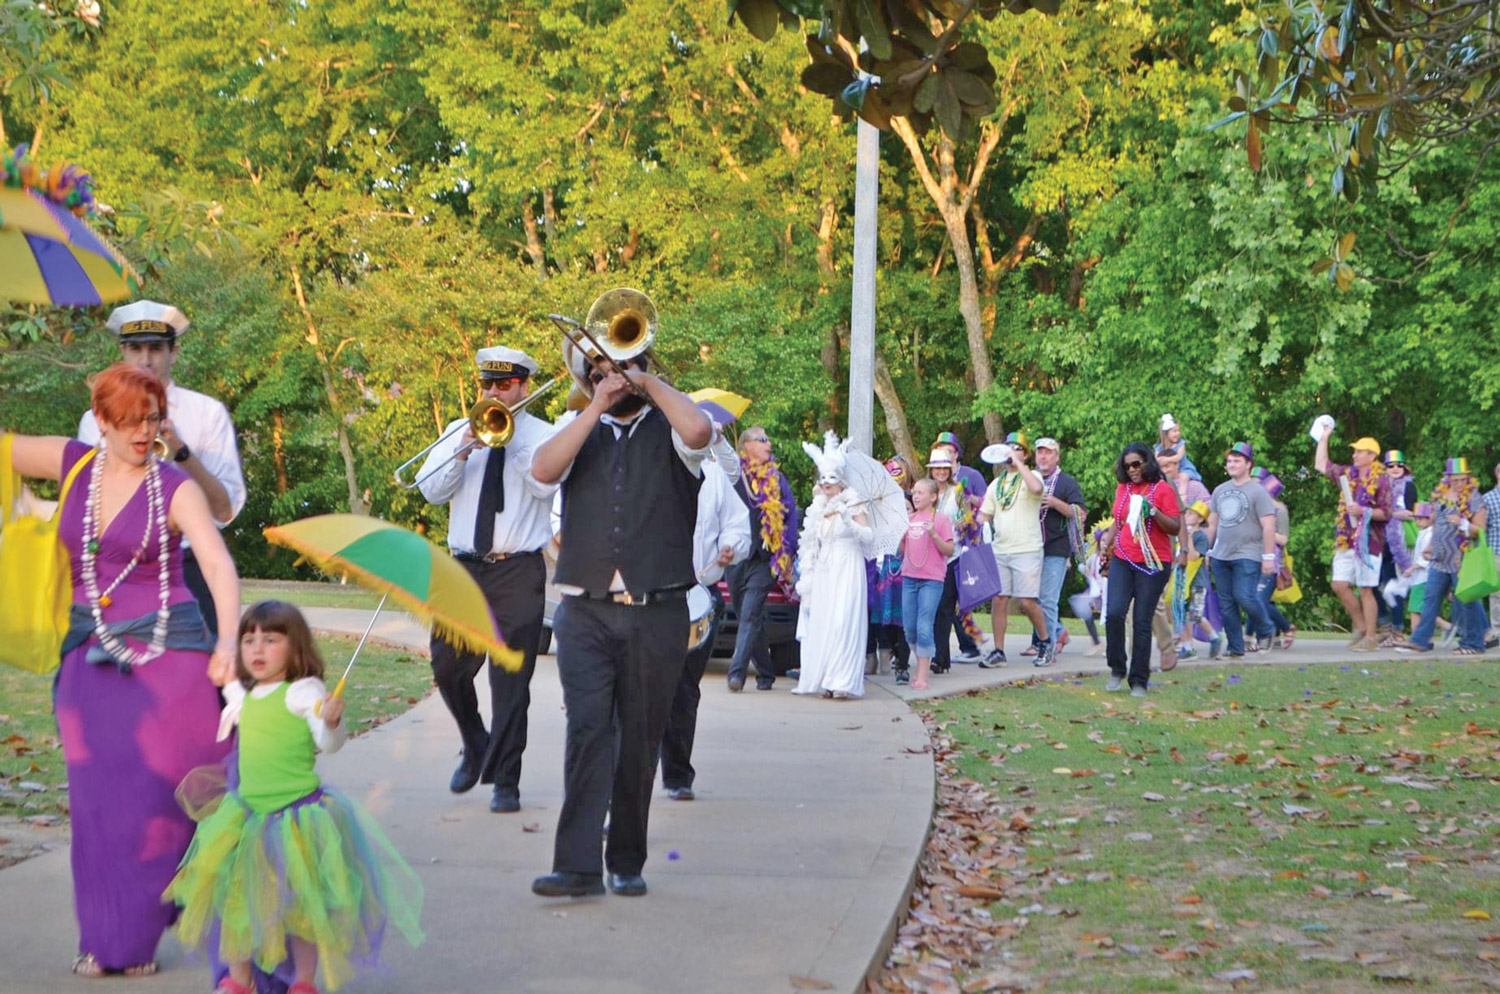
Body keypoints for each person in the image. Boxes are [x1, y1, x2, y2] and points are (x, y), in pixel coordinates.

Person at [8, 363, 239, 977]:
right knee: (97, 804)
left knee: (167, 795)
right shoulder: (75, 464)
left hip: (171, 656)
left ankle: (145, 919)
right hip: (88, 659)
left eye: (153, 419)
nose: (144, 432)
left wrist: (230, 643)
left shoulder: (175, 487)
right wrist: (23, 512)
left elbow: (216, 565)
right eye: (131, 421)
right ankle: (108, 935)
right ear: (102, 423)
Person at [530, 335, 713, 899]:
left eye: (623, 365)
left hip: (657, 611)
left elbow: (700, 431)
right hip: (584, 611)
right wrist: (594, 404)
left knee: (639, 738)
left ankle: (627, 858)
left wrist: (647, 381)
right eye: (600, 369)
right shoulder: (580, 429)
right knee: (587, 732)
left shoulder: (674, 431)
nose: (612, 376)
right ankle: (577, 866)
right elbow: (541, 469)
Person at [164, 601, 424, 994]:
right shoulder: (247, 694)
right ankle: (239, 981)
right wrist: (221, 668)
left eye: (270, 640)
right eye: (249, 640)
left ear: (295, 647)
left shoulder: (302, 692)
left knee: (301, 907)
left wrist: (333, 720)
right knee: (238, 901)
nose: (257, 649)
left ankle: (302, 981)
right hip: (246, 816)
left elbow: (327, 741)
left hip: (295, 819)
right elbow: (232, 690)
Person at [416, 347, 555, 812]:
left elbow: (546, 486)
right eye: (486, 385)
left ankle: (506, 781)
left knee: (510, 679)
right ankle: (476, 741)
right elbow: (429, 491)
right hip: (465, 566)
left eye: (504, 384)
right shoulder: (461, 429)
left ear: (524, 387)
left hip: (517, 568)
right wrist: (461, 450)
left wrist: (508, 442)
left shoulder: (544, 436)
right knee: (447, 666)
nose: (493, 392)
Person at [78, 301, 246, 635]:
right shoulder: (94, 420)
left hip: (189, 567)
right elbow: (89, 504)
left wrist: (183, 454)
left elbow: (225, 510)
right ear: (122, 352)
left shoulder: (207, 413)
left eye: (155, 348)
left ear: (174, 353)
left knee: (198, 679)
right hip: (118, 569)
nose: (144, 360)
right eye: (135, 349)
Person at [659, 423, 750, 801]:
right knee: (639, 690)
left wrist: (730, 546)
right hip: (650, 595)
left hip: (699, 593)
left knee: (683, 690)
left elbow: (738, 526)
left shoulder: (713, 477)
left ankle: (678, 774)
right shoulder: (652, 471)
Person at [793, 432, 874, 700]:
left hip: (848, 566)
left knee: (843, 620)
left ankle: (843, 681)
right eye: (823, 478)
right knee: (825, 622)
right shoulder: (818, 507)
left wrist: (849, 520)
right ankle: (827, 679)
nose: (827, 483)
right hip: (826, 570)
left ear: (841, 480)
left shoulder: (853, 501)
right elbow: (811, 543)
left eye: (832, 478)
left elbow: (868, 537)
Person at [1098, 442, 1181, 698]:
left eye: (1136, 464)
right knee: (1113, 614)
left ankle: (1138, 680)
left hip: (1153, 563)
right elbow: (1120, 521)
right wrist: (1108, 540)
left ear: (1147, 462)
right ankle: (1117, 668)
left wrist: (1152, 510)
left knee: (1142, 622)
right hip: (1124, 558)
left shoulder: (1163, 490)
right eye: (1127, 466)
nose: (1132, 470)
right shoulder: (1123, 488)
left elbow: (1175, 527)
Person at [725, 424, 798, 692]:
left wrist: (787, 551)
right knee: (750, 617)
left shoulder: (777, 479)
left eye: (769, 440)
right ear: (747, 445)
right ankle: (766, 672)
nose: (769, 444)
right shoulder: (732, 474)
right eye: (763, 439)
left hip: (765, 559)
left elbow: (790, 516)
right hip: (736, 559)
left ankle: (736, 674)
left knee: (749, 613)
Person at [976, 432, 1052, 668]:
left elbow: (1037, 489)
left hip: (1027, 548)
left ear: (1026, 454)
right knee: (999, 599)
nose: (1011, 451)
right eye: (1008, 447)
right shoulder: (996, 484)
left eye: (1017, 448)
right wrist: (969, 520)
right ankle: (998, 651)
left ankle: (1046, 642)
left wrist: (1019, 463)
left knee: (1027, 601)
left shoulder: (1033, 475)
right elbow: (985, 515)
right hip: (1001, 549)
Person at [1314, 430, 1393, 651]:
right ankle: (1360, 625)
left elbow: (1387, 513)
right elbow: (1321, 464)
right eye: (1355, 451)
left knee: (1366, 589)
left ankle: (1370, 637)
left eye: (1359, 452)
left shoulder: (1382, 480)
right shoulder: (1348, 474)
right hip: (1345, 539)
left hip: (1370, 542)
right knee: (1339, 585)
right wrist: (1324, 436)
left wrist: (1362, 511)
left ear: (1371, 456)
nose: (1354, 456)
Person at [1400, 459, 1489, 655]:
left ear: (1467, 477)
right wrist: (1431, 546)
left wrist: (1463, 523)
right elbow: (1437, 526)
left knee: (1466, 600)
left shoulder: (1474, 498)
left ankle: (1473, 643)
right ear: (1447, 478)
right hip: (1439, 559)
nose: (1459, 484)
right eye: (1455, 480)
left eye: (1462, 479)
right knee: (1430, 598)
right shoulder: (1440, 496)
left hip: (1462, 559)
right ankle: (1420, 640)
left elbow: (1480, 529)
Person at [1204, 443, 1277, 658]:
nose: (1232, 464)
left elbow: (1269, 525)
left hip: (1248, 553)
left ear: (1248, 464)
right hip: (1221, 555)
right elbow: (1212, 524)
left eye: (1237, 460)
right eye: (1229, 461)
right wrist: (1206, 551)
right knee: (1226, 603)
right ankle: (1235, 647)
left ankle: (1266, 629)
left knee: (1244, 596)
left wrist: (1268, 556)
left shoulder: (1258, 491)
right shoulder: (1220, 490)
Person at [1027, 438, 1086, 662]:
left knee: (1047, 599)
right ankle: (1056, 634)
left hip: (1055, 549)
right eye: (1040, 452)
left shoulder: (1066, 482)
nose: (1043, 456)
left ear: (1057, 457)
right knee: (1029, 598)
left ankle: (1048, 647)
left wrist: (1056, 503)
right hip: (1029, 548)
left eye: (1049, 453)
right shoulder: (1027, 479)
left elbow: (1080, 514)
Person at [927, 448, 984, 672]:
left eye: (945, 467)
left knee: (944, 607)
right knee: (930, 607)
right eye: (937, 468)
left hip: (952, 554)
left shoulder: (957, 491)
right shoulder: (926, 491)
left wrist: (965, 522)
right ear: (931, 470)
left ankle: (940, 658)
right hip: (928, 556)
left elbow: (969, 517)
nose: (941, 472)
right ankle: (936, 655)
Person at [900, 479, 954, 690]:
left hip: (931, 580)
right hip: (909, 578)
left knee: (924, 626)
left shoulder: (940, 520)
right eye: (914, 492)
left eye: (921, 493)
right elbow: (906, 551)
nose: (916, 496)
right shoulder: (908, 519)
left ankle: (922, 674)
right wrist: (899, 536)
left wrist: (933, 534)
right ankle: (923, 659)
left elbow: (949, 550)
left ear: (933, 497)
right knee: (910, 629)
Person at [869, 456, 916, 684]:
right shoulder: (879, 505)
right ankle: (885, 652)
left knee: (904, 617)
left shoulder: (912, 501)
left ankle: (902, 661)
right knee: (882, 616)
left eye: (899, 471)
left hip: (907, 569)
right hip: (884, 567)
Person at [1377, 450, 1419, 642]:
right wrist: (1392, 513)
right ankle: (1386, 626)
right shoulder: (1379, 486)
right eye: (1390, 465)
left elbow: (1411, 514)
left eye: (1399, 465)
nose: (1395, 469)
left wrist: (1390, 513)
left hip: (1399, 543)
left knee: (1394, 587)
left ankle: (1397, 631)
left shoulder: (1409, 486)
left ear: (1404, 467)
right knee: (1374, 586)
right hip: (1380, 541)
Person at [1251, 468, 1296, 649]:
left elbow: (1284, 539)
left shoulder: (1280, 510)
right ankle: (1281, 629)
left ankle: (1280, 629)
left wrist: (1265, 530)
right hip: (1253, 558)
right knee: (1257, 599)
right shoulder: (1254, 508)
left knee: (1257, 600)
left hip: (1272, 561)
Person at [1156, 413, 1202, 482]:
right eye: (1174, 431)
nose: (1178, 433)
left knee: (1183, 477)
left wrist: (1166, 460)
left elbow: (1178, 457)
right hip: (1167, 470)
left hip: (1183, 468)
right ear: (1166, 434)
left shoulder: (1180, 444)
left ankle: (1182, 492)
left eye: (1178, 430)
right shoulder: (1159, 447)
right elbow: (1157, 460)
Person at [1483, 463, 1500, 646]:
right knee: (1496, 595)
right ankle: (1496, 631)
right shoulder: (1488, 498)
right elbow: (1482, 528)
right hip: (1496, 552)